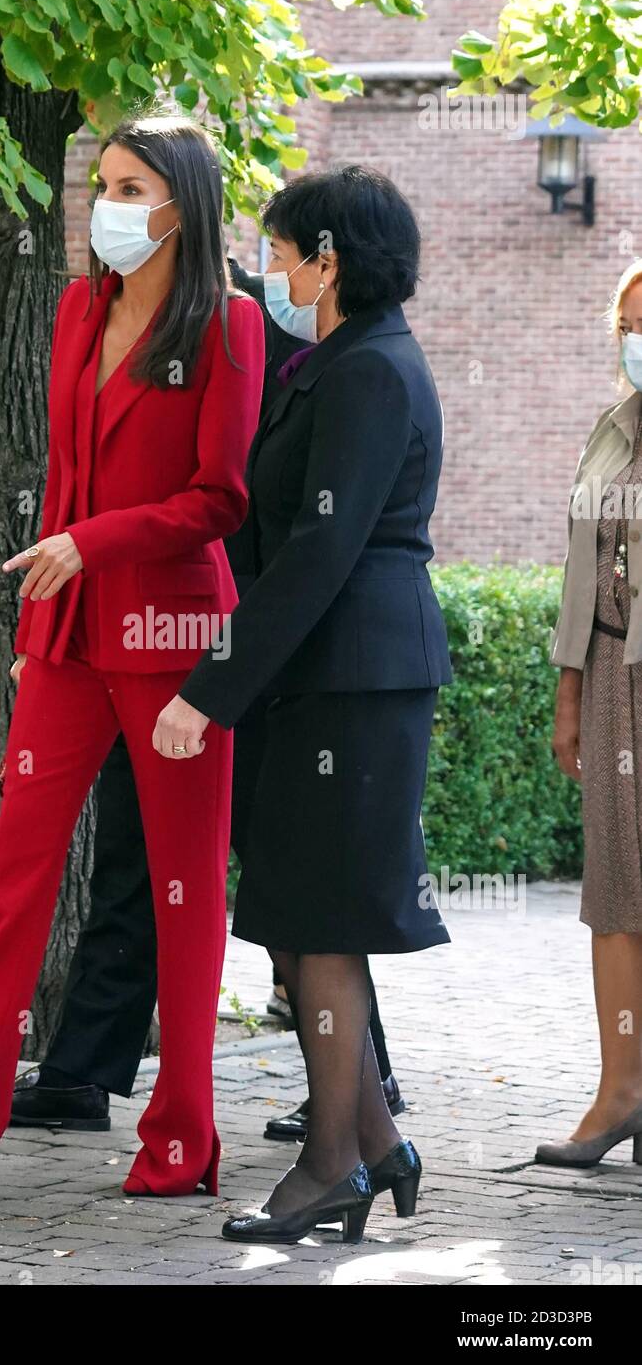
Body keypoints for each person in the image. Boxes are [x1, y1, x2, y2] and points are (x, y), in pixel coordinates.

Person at [0, 114, 265, 1198]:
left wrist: (91, 544)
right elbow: (66, 478)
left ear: (182, 205)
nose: (106, 206)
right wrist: (40, 636)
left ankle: (182, 1137)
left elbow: (218, 500)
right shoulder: (77, 307)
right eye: (102, 184)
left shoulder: (230, 325)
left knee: (180, 892)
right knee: (15, 878)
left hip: (174, 637)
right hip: (71, 639)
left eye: (131, 187)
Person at [9, 255, 405, 1139]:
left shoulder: (248, 331)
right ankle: (84, 1068)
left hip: (252, 646)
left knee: (285, 876)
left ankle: (358, 1088)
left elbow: (275, 518)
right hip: (158, 644)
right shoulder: (140, 321)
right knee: (134, 858)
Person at [155, 166, 453, 1243]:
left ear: (328, 257)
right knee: (301, 917)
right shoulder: (339, 363)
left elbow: (322, 547)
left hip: (355, 678)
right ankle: (375, 1144)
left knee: (319, 923)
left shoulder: (370, 371)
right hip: (326, 678)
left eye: (282, 251)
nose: (270, 269)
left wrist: (210, 687)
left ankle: (329, 1166)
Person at [540, 258, 642, 1167]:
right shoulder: (609, 429)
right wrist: (568, 692)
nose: (639, 343)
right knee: (613, 887)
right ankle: (620, 1092)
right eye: (631, 327)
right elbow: (580, 575)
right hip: (612, 673)